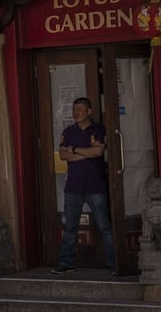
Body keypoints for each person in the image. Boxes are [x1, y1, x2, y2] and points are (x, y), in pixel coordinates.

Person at [52, 97, 116, 275]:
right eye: (74, 110)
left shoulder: (98, 129)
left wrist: (74, 149)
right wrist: (86, 152)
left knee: (104, 226)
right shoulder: (69, 131)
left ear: (89, 111)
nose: (76, 113)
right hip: (73, 186)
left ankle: (114, 264)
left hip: (95, 185)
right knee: (70, 227)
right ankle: (66, 263)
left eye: (80, 109)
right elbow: (63, 156)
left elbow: (98, 152)